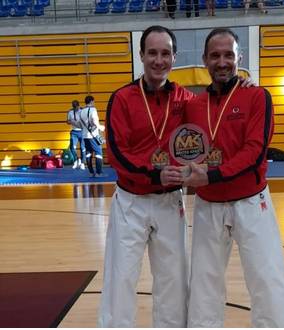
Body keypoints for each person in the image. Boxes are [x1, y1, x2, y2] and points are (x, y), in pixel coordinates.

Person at [184, 28, 284, 327]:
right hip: (209, 205)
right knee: (204, 284)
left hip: (250, 202)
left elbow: (255, 151)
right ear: (204, 60)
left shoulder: (257, 96)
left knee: (267, 279)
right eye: (215, 55)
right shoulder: (192, 105)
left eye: (228, 55)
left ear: (239, 58)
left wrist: (213, 174)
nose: (222, 62)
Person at [97, 25, 194, 328]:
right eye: (152, 52)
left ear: (174, 58)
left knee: (173, 279)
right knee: (120, 277)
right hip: (131, 202)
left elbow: (213, 120)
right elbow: (116, 153)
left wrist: (240, 87)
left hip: (169, 202)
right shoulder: (122, 98)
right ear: (141, 55)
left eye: (165, 53)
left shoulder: (186, 99)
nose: (158, 59)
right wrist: (154, 173)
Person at [79, 95, 105, 178]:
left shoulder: (81, 111)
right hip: (93, 135)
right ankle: (98, 173)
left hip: (85, 135)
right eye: (93, 101)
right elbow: (95, 122)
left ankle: (91, 172)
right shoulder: (93, 110)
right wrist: (101, 127)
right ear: (91, 101)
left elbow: (80, 124)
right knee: (98, 153)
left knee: (88, 153)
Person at [66, 100, 86, 170]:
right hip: (74, 132)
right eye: (74, 107)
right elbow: (67, 121)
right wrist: (72, 122)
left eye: (76, 107)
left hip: (82, 131)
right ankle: (76, 160)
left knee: (83, 148)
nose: (75, 109)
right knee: (72, 147)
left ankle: (83, 163)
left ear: (78, 105)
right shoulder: (70, 112)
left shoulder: (83, 111)